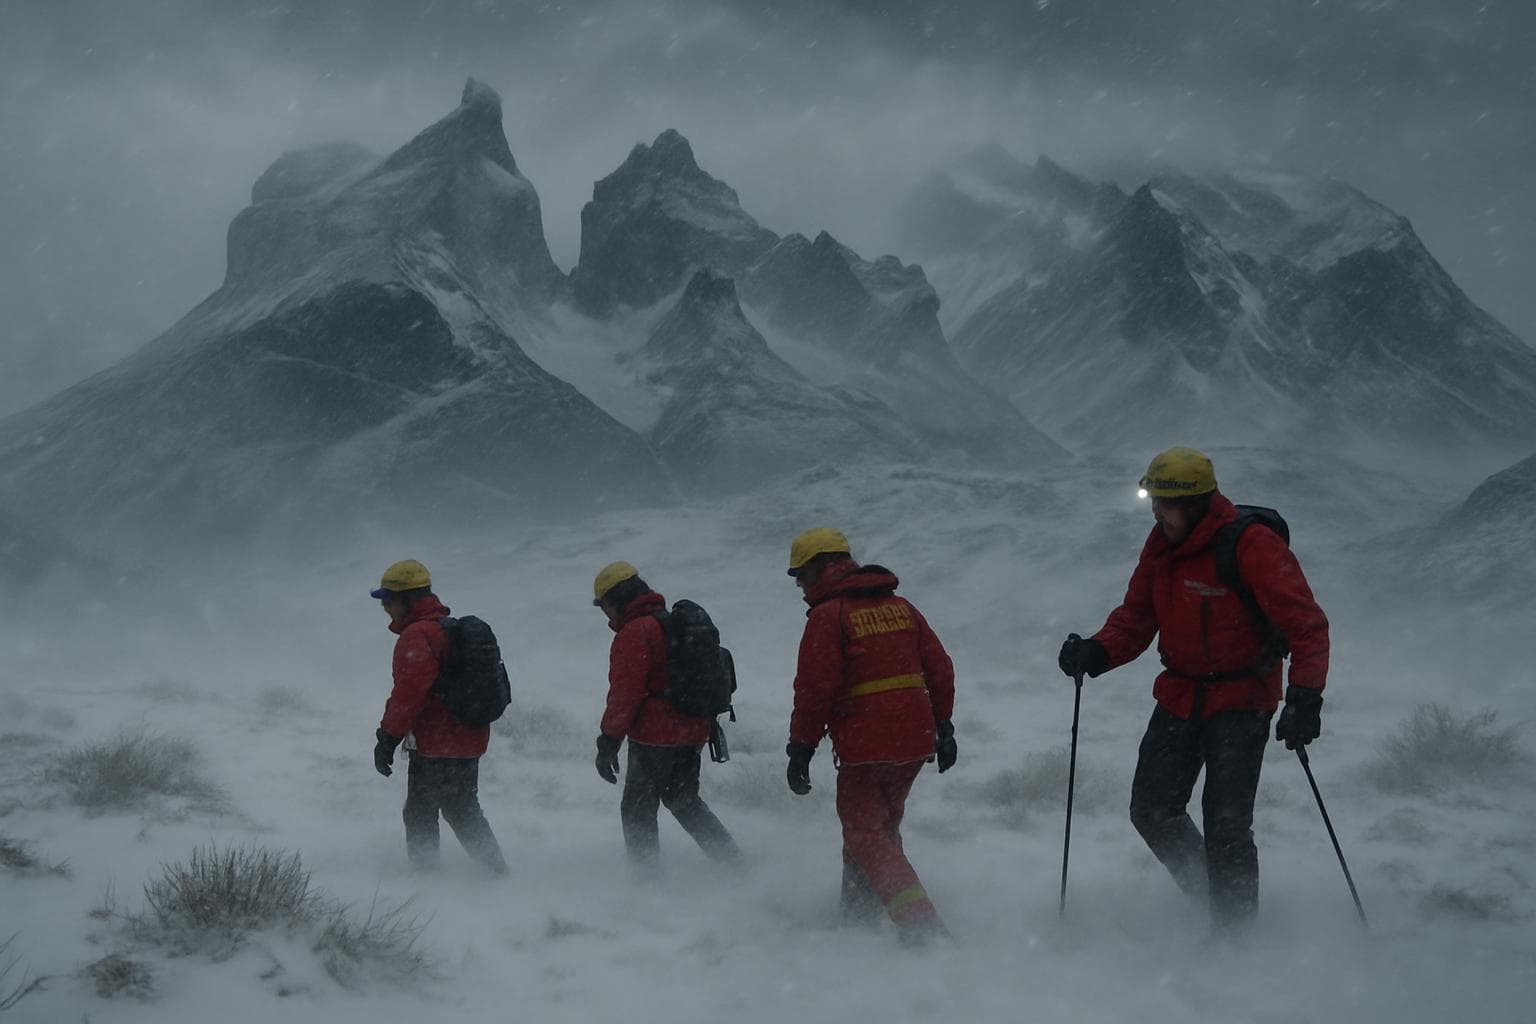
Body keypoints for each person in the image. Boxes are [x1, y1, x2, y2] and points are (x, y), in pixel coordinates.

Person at [1058, 447, 1329, 933]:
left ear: (1200, 502)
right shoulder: (1160, 546)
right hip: (1181, 697)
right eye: (1153, 501)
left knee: (1227, 826)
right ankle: (1213, 899)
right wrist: (1098, 651)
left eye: (1167, 502)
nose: (1158, 512)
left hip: (1243, 702)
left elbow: (1306, 625)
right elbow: (1137, 617)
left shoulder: (1251, 546)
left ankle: (1235, 934)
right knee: (1152, 810)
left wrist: (1304, 698)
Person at [783, 528, 957, 943]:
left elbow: (814, 689)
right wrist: (944, 726)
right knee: (880, 827)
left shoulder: (830, 616)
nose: (800, 586)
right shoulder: (901, 607)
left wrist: (800, 748)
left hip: (867, 743)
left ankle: (923, 928)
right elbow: (940, 668)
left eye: (801, 576)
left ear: (821, 568)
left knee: (865, 834)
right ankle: (857, 923)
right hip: (915, 739)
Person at [591, 561, 741, 874]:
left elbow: (625, 694)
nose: (604, 614)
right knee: (683, 800)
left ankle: (647, 884)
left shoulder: (636, 632)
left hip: (656, 737)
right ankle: (734, 863)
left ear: (616, 599)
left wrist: (608, 742)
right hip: (695, 730)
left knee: (636, 810)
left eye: (603, 605)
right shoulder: (673, 622)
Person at [371, 559, 508, 875]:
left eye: (389, 599)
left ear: (409, 599)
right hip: (469, 736)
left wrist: (387, 738)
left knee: (421, 813)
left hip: (437, 742)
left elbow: (409, 694)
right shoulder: (448, 629)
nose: (385, 608)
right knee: (463, 809)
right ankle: (496, 872)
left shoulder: (418, 635)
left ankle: (428, 878)